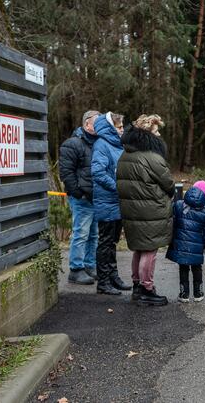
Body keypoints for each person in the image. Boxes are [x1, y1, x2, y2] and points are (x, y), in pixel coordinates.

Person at [117, 114, 175, 306]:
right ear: (148, 134)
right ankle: (147, 289)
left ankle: (137, 286)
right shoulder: (152, 157)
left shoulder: (125, 155)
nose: (159, 135)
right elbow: (168, 183)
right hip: (151, 211)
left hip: (132, 210)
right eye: (156, 131)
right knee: (149, 250)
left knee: (139, 249)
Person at [91, 112, 131, 295]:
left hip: (117, 202)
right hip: (107, 201)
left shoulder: (118, 145)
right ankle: (103, 281)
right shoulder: (102, 145)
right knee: (105, 242)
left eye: (122, 126)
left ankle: (113, 276)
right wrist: (117, 187)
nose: (122, 129)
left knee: (113, 241)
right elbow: (98, 173)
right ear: (110, 128)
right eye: (119, 127)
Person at [59, 110, 100, 285]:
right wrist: (79, 193)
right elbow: (66, 173)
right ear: (87, 124)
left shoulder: (98, 143)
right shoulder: (72, 144)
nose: (100, 127)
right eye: (96, 124)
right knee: (81, 234)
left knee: (93, 235)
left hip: (95, 198)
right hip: (82, 199)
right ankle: (76, 269)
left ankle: (89, 266)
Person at [167, 180, 205, 303]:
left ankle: (184, 294)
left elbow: (172, 222)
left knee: (183, 268)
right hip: (197, 247)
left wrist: (172, 239)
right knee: (197, 268)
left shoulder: (178, 205)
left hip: (181, 244)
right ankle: (198, 293)